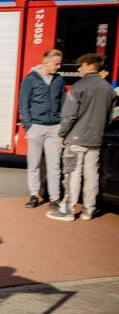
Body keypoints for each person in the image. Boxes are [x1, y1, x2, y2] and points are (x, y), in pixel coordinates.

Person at [47, 53, 118, 221]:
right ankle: (88, 210)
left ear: (91, 66)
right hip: (96, 138)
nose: (79, 68)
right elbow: (109, 116)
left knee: (72, 173)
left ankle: (68, 211)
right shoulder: (108, 89)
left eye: (82, 65)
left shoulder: (80, 86)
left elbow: (69, 114)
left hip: (76, 138)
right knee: (92, 174)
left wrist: (63, 134)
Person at [18, 49, 65, 209]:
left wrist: (62, 128)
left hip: (55, 128)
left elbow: (63, 104)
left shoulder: (59, 80)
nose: (58, 67)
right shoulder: (30, 79)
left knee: (54, 165)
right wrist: (28, 127)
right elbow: (23, 105)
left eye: (59, 63)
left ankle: (54, 199)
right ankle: (33, 195)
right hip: (36, 127)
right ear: (46, 62)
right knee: (34, 164)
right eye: (56, 63)